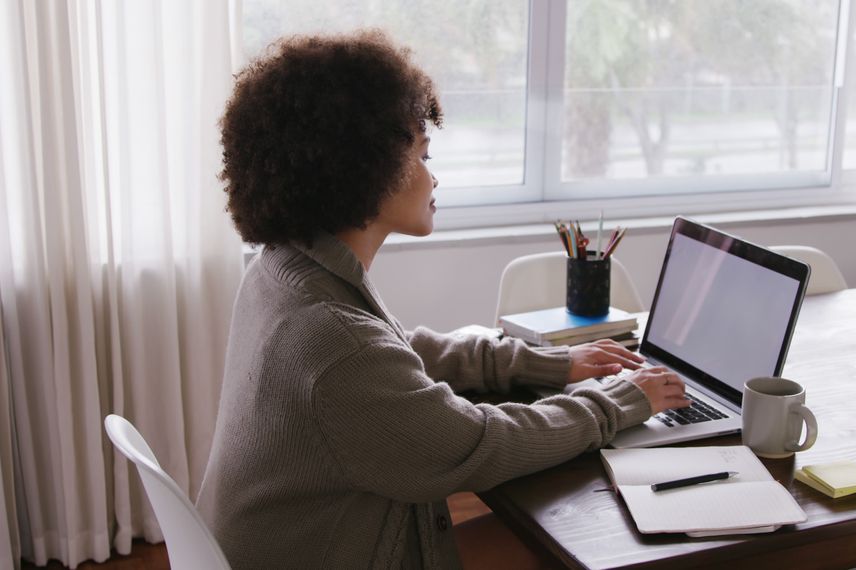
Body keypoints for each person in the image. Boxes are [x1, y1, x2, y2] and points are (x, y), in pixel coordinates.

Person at [196, 29, 689, 569]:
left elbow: (398, 352)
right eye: (423, 155)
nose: (434, 176)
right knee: (594, 548)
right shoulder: (331, 337)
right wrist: (619, 400)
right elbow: (478, 444)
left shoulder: (286, 269)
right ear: (366, 168)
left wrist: (551, 363)